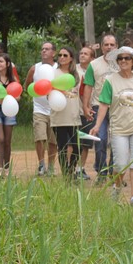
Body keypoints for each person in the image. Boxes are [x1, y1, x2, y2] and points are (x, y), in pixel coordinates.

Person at [89, 46, 133, 208]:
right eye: (120, 58)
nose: (123, 61)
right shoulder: (110, 81)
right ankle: (117, 188)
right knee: (119, 164)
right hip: (119, 128)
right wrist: (97, 125)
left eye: (127, 58)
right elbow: (104, 105)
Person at [82, 34, 118, 181]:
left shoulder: (122, 62)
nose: (109, 47)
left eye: (112, 45)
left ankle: (112, 170)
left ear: (116, 46)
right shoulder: (94, 65)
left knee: (117, 140)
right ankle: (102, 171)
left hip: (117, 107)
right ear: (101, 46)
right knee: (101, 138)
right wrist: (85, 106)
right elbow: (88, 86)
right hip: (98, 105)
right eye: (106, 44)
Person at [24, 41, 58, 176]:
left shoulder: (58, 68)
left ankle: (51, 166)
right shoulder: (35, 68)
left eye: (47, 49)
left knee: (53, 140)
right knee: (39, 137)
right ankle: (41, 164)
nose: (44, 51)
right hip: (39, 108)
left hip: (55, 109)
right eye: (42, 49)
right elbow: (27, 85)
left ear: (53, 53)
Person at [52, 46, 82, 179]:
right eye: (60, 55)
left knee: (77, 147)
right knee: (62, 148)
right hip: (59, 116)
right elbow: (48, 91)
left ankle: (71, 170)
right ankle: (66, 175)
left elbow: (82, 94)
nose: (62, 58)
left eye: (65, 55)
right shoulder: (53, 73)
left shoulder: (77, 74)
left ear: (71, 58)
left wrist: (85, 109)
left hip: (74, 115)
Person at [75, 45, 96, 180]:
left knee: (85, 142)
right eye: (81, 53)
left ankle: (80, 168)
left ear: (92, 58)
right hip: (74, 110)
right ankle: (71, 167)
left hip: (89, 110)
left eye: (86, 54)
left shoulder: (95, 70)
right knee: (73, 141)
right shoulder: (73, 70)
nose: (82, 55)